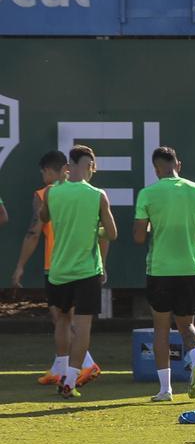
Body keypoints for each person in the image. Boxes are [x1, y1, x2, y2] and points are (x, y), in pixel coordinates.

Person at [12, 151, 102, 387]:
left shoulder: (47, 194)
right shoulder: (89, 194)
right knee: (64, 318)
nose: (42, 175)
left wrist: (20, 266)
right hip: (80, 266)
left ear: (51, 171)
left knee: (65, 319)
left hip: (58, 266)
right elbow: (104, 234)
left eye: (43, 171)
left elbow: (33, 233)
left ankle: (83, 365)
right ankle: (62, 368)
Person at [132, 146, 195, 402]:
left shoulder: (148, 193)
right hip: (189, 268)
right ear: (178, 163)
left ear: (156, 168)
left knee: (161, 330)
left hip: (160, 270)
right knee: (187, 325)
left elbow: (138, 236)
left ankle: (165, 389)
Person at [39, 146, 118, 399]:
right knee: (82, 327)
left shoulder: (52, 192)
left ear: (69, 166)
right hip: (86, 272)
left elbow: (44, 216)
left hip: (58, 270)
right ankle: (70, 380)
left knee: (61, 320)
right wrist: (95, 230)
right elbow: (112, 233)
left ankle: (62, 372)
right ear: (88, 167)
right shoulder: (98, 195)